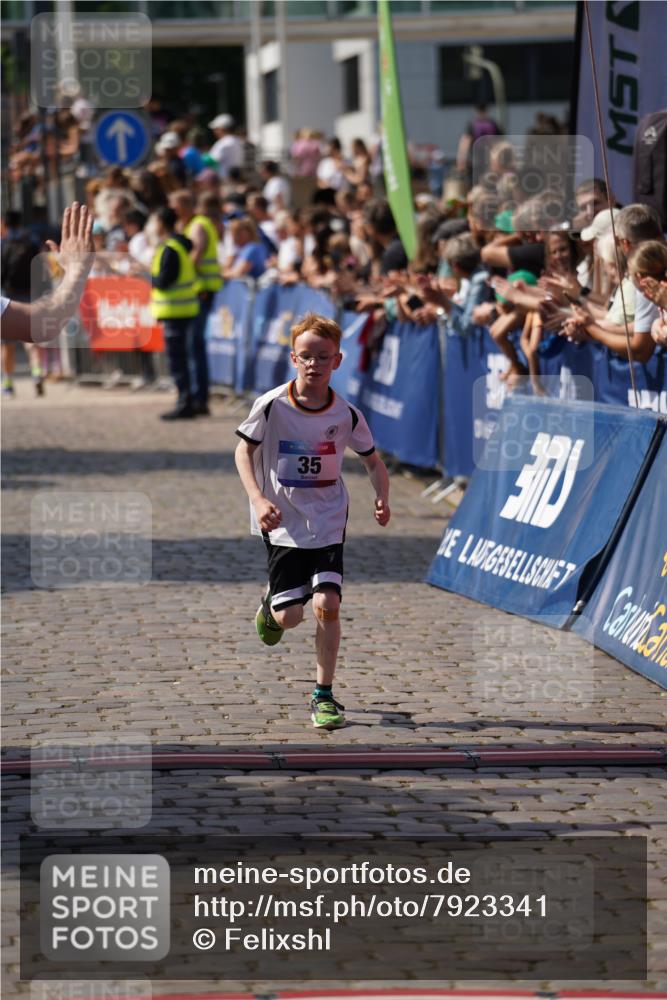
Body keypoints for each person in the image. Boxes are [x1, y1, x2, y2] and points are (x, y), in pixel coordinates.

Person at [234, 312, 390, 730]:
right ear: (293, 358)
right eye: (306, 356)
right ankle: (271, 604)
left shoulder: (347, 414)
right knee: (289, 618)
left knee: (327, 603)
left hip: (328, 519)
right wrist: (257, 497)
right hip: (283, 522)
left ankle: (324, 695)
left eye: (323, 357)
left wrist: (382, 497)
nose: (314, 364)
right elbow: (243, 452)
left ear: (337, 361)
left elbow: (373, 461)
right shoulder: (272, 406)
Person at [1, 202, 94, 345]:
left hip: (10, 292)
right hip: (28, 292)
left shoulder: (5, 242)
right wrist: (76, 268)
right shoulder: (29, 238)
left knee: (6, 346)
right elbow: (42, 323)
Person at [169, 189, 224, 415]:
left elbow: (197, 254)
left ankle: (198, 399)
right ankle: (195, 397)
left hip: (202, 291)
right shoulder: (191, 225)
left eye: (173, 204)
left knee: (194, 347)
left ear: (183, 205)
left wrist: (179, 273)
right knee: (193, 347)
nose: (171, 209)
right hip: (198, 292)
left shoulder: (198, 225)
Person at [149, 206, 200, 420]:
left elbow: (164, 281)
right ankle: (187, 400)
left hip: (175, 311)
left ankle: (184, 403)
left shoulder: (170, 248)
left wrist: (147, 276)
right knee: (182, 359)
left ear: (161, 222)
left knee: (177, 360)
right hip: (183, 310)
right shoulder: (179, 246)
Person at [208, 114, 243, 181]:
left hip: (224, 180)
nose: (214, 131)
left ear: (222, 128)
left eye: (216, 129)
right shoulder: (238, 140)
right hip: (237, 179)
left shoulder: (223, 143)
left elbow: (211, 161)